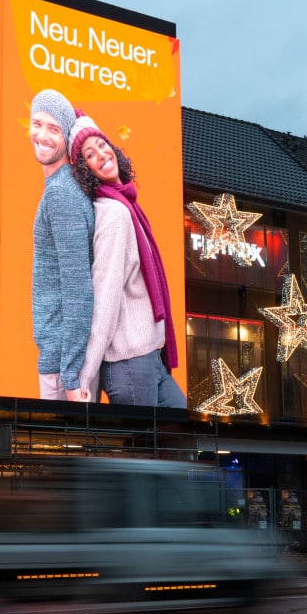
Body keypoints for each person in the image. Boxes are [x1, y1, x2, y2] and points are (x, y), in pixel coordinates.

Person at [67, 115, 185, 408]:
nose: (101, 155)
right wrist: (85, 376)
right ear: (85, 171)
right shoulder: (115, 215)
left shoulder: (128, 204)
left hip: (148, 357)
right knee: (145, 451)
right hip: (129, 363)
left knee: (179, 439)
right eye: (89, 155)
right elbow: (104, 297)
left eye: (101, 144)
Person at [30, 89, 95, 401]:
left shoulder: (61, 195)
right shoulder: (62, 188)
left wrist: (70, 376)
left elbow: (78, 289)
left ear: (67, 137)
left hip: (62, 369)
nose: (41, 135)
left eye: (53, 129)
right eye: (36, 123)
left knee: (59, 450)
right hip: (63, 361)